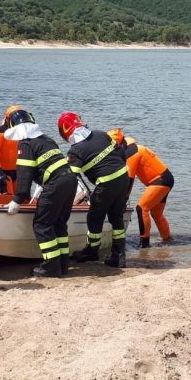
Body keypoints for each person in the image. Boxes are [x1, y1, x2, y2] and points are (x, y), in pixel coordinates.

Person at [4, 109, 77, 277]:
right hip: (70, 181)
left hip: (56, 184)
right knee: (58, 224)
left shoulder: (26, 144)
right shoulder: (47, 140)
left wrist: (16, 200)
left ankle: (51, 267)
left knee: (42, 225)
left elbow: (24, 175)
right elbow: (50, 166)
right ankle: (62, 265)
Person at [58, 111, 129, 268]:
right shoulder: (101, 134)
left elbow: (70, 178)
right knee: (116, 217)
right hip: (124, 177)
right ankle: (119, 256)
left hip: (106, 183)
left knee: (94, 217)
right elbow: (121, 153)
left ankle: (91, 251)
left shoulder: (75, 150)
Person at [108, 129, 173, 248]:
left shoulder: (131, 153)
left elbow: (129, 182)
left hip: (160, 180)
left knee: (141, 208)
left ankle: (145, 244)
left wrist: (122, 201)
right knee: (156, 214)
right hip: (166, 178)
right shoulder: (131, 148)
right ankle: (168, 240)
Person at [0, 105, 21, 194]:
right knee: (6, 199)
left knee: (22, 199)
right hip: (4, 173)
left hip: (19, 171)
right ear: (8, 119)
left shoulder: (22, 132)